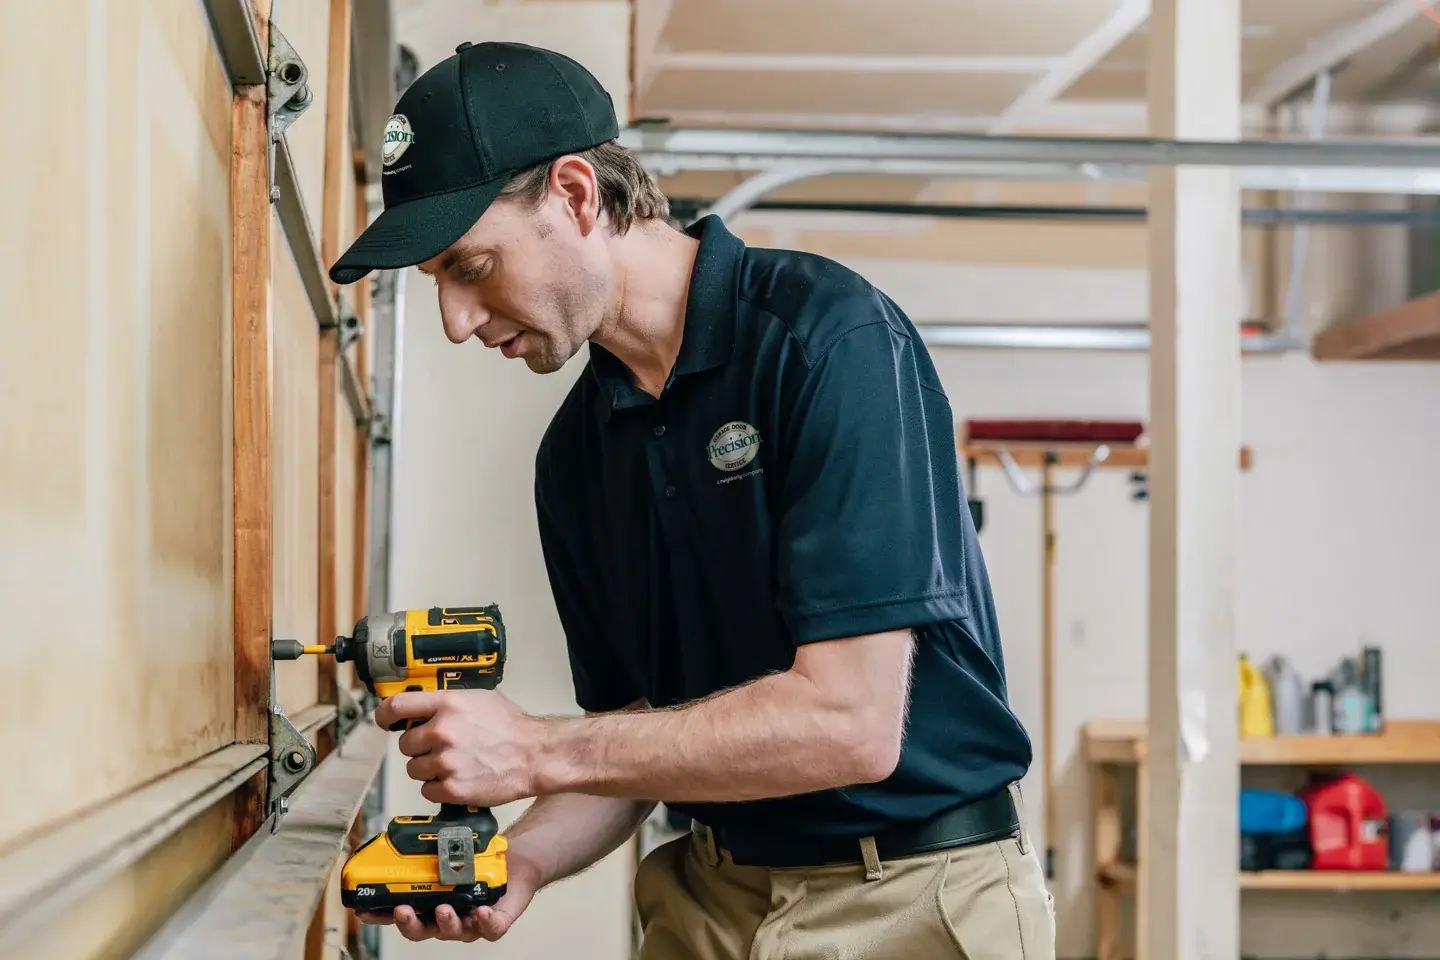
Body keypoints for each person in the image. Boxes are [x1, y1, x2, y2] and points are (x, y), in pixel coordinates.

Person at [328, 39, 1053, 960]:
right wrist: (525, 863)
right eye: (438, 285)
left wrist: (541, 749)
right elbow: (640, 743)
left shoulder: (829, 343)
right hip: (707, 893)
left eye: (471, 268)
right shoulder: (575, 459)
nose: (456, 322)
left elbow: (852, 725)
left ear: (577, 195)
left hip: (915, 898)